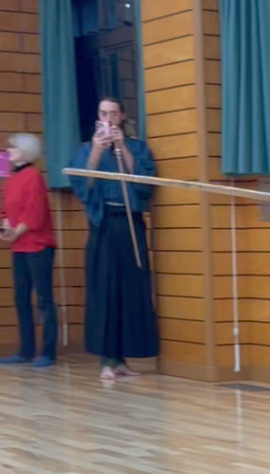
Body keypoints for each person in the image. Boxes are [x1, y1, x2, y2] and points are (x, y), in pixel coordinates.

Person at [68, 97, 158, 383]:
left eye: (113, 113)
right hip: (104, 224)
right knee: (105, 290)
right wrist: (97, 148)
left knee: (131, 290)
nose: (108, 117)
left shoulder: (137, 147)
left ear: (121, 117)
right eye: (103, 113)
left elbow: (144, 183)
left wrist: (121, 148)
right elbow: (83, 184)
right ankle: (106, 359)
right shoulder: (86, 149)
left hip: (130, 223)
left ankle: (122, 358)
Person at [0, 134, 57, 368]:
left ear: (24, 152)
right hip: (20, 246)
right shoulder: (11, 180)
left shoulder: (33, 176)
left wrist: (15, 231)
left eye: (12, 148)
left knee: (43, 298)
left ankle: (48, 351)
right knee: (21, 298)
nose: (8, 152)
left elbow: (34, 213)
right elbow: (6, 210)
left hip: (38, 245)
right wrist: (5, 227)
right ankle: (25, 350)